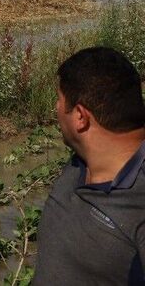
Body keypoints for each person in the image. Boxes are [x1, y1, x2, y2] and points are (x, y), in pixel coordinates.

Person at [34, 46, 145, 285]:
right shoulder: (81, 161)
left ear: (80, 117)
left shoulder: (138, 203)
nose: (56, 107)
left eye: (59, 99)